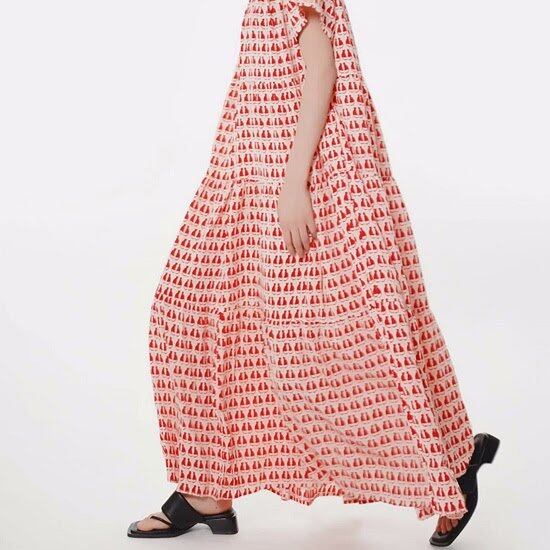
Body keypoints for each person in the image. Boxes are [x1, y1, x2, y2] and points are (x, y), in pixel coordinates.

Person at [127, 1, 499, 546]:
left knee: (343, 343)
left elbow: (322, 71)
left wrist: (294, 184)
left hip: (302, 179)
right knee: (184, 315)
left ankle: (452, 462)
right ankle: (206, 489)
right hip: (247, 174)